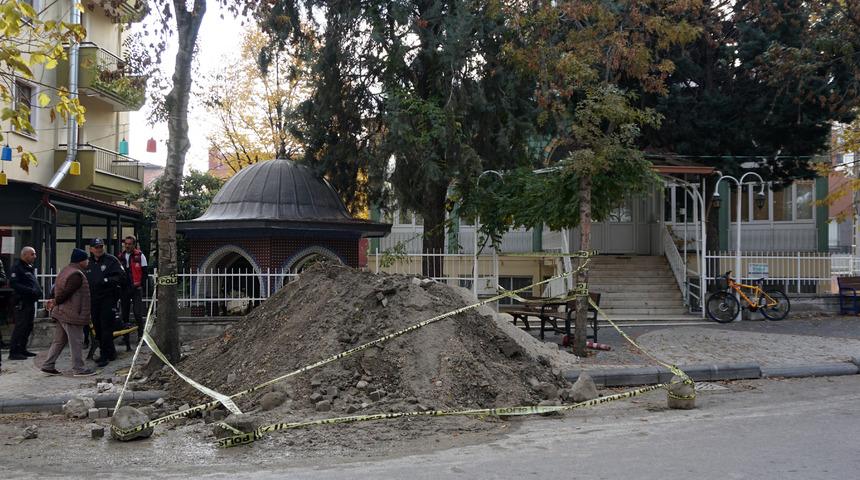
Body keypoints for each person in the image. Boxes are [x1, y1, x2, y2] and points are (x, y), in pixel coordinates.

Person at [41, 249, 95, 376]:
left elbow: (55, 289)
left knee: (59, 341)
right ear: (81, 261)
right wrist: (55, 301)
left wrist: (54, 302)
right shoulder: (76, 275)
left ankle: (48, 365)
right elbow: (66, 293)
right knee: (76, 341)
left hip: (62, 312)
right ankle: (78, 369)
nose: (88, 262)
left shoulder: (66, 270)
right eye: (86, 259)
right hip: (72, 314)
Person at [85, 238, 123, 368]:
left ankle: (104, 355)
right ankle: (110, 352)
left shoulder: (111, 261)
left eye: (101, 246)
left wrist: (106, 280)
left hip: (108, 299)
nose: (99, 249)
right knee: (98, 327)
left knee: (106, 327)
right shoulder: (88, 263)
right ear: (91, 249)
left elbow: (121, 276)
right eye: (96, 247)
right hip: (93, 300)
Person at [8, 247, 42, 360]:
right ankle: (14, 352)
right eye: (32, 254)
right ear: (25, 255)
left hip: (30, 302)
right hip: (22, 302)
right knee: (20, 327)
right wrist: (30, 291)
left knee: (28, 326)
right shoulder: (17, 267)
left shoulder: (28, 267)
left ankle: (22, 349)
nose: (35, 256)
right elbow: (14, 284)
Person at [116, 235, 148, 340]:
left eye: (129, 244)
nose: (127, 246)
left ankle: (141, 335)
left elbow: (145, 273)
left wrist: (141, 286)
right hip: (124, 288)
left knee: (137, 313)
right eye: (126, 244)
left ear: (134, 245)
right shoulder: (120, 256)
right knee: (124, 313)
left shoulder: (140, 256)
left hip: (136, 288)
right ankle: (125, 337)